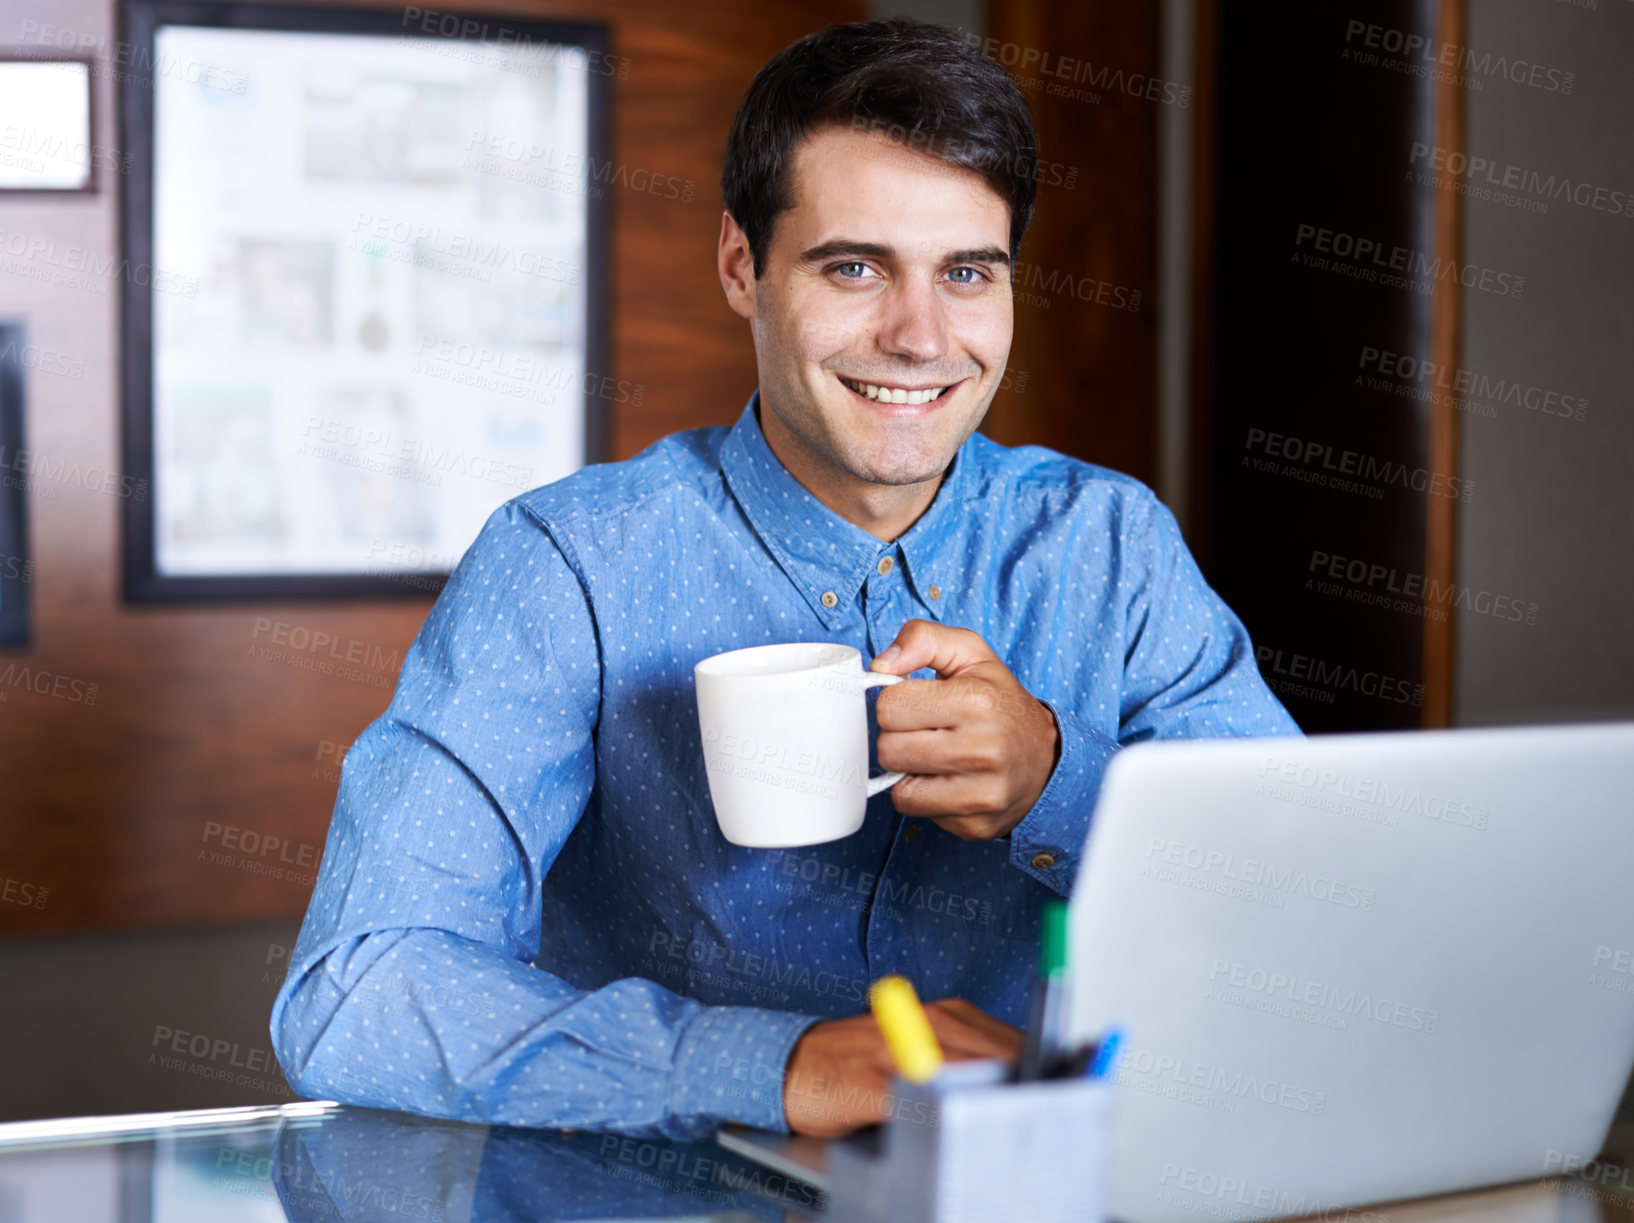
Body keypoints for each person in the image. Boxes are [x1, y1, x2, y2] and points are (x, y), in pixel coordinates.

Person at [271, 16, 1300, 1143]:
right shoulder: (565, 565)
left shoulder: (1108, 545)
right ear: (738, 266)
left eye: (966, 272)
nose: (919, 335)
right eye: (854, 267)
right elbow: (357, 991)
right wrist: (770, 1063)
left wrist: (1054, 778)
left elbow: (1299, 899)